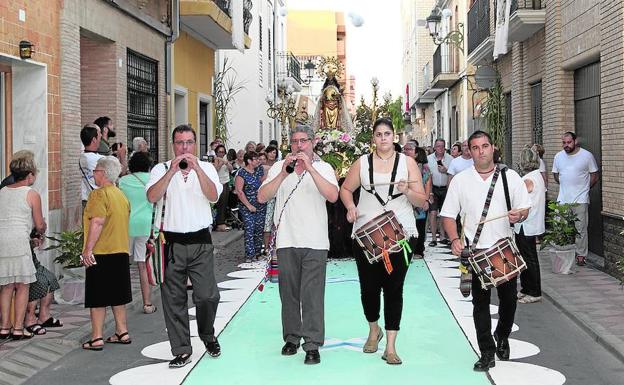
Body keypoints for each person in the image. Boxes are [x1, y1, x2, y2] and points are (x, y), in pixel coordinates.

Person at [441, 130, 530, 371]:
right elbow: (448, 215)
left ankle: (502, 334)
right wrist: (453, 239)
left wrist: (519, 214)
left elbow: (525, 209)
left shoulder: (509, 177)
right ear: (470, 152)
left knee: (509, 300)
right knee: (479, 304)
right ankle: (486, 352)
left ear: (493, 148)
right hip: (475, 252)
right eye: (476, 147)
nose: (481, 151)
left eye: (485, 146)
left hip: (503, 250)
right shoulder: (461, 180)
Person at [340, 118, 426, 365]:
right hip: (366, 235)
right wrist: (350, 207)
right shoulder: (362, 163)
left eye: (388, 134)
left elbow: (422, 200)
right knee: (368, 288)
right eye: (379, 134)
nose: (384, 138)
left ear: (394, 137)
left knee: (394, 289)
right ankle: (373, 328)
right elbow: (346, 189)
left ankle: (390, 346)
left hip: (401, 236)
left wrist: (407, 190)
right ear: (373, 138)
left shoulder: (408, 163)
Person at [258, 125, 339, 365]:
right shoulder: (278, 167)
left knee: (312, 295)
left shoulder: (324, 168)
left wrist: (311, 169)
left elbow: (333, 196)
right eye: (294, 141)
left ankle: (312, 344)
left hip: (315, 241)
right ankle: (291, 337)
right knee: (289, 293)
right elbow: (263, 196)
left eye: (303, 141)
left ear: (312, 143)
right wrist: (284, 173)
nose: (299, 146)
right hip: (286, 240)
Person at [146, 124, 223, 368]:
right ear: (173, 145)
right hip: (172, 242)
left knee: (208, 295)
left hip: (201, 240)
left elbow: (213, 196)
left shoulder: (208, 167)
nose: (185, 147)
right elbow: (152, 197)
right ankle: (181, 348)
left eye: (189, 142)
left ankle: (207, 334)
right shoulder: (160, 169)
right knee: (173, 299)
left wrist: (197, 168)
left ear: (195, 144)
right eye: (180, 143)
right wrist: (170, 172)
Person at [80, 156, 132, 351]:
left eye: (95, 171)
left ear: (103, 173)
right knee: (118, 295)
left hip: (101, 252)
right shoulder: (121, 195)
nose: (93, 174)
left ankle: (97, 337)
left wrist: (87, 249)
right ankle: (122, 331)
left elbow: (97, 222)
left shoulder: (98, 195)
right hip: (120, 250)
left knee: (97, 297)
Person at [0, 151, 47, 340]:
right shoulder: (31, 194)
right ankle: (18, 328)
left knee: (6, 286)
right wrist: (42, 228)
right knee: (22, 285)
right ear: (29, 175)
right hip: (19, 242)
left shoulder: (2, 192)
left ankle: (4, 327)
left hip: (2, 241)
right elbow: (39, 225)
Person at [552, 131, 599, 266]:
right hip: (563, 199)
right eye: (564, 143)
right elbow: (556, 175)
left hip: (581, 199)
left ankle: (580, 255)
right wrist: (565, 184)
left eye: (569, 142)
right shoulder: (558, 157)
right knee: (560, 227)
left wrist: (585, 189)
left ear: (575, 141)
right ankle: (563, 253)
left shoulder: (586, 156)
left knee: (581, 229)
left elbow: (594, 175)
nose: (566, 145)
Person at [118, 152, 157, 314]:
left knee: (121, 264)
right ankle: (147, 303)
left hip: (125, 225)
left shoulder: (123, 181)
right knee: (142, 264)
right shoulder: (152, 180)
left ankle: (119, 302)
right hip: (145, 225)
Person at [514, 147, 545, 304]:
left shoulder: (528, 180)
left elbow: (517, 198)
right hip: (529, 224)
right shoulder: (537, 176)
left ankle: (534, 291)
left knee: (529, 258)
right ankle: (526, 288)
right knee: (527, 257)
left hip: (527, 224)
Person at [235, 151, 267, 261]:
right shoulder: (241, 173)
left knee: (259, 229)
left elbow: (264, 183)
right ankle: (250, 254)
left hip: (260, 205)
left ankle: (258, 253)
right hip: (247, 206)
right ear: (249, 161)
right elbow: (239, 191)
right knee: (249, 229)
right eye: (256, 159)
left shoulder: (259, 171)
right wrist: (248, 206)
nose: (258, 161)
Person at [427, 139, 454, 246]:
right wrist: (429, 193)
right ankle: (433, 238)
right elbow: (427, 176)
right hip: (433, 188)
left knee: (444, 213)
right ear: (434, 147)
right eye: (438, 146)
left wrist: (446, 170)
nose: (440, 148)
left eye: (442, 146)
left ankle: (442, 236)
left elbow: (453, 173)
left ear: (445, 147)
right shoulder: (429, 159)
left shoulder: (450, 159)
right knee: (433, 213)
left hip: (445, 188)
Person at [79, 124, 104, 207]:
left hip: (84, 201)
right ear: (94, 139)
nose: (101, 137)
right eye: (99, 134)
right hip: (98, 202)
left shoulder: (80, 157)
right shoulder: (102, 160)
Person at [414, 147, 432, 259]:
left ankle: (419, 250)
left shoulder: (425, 169)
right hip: (409, 201)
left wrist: (425, 200)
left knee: (420, 227)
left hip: (420, 202)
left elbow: (428, 185)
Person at [213, 144, 234, 232]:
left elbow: (231, 169)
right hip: (218, 182)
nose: (221, 154)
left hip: (225, 182)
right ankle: (219, 223)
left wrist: (227, 163)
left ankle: (222, 221)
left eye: (223, 152)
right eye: (219, 152)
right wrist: (221, 163)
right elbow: (215, 170)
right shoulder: (215, 159)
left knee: (224, 203)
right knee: (220, 203)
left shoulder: (226, 159)